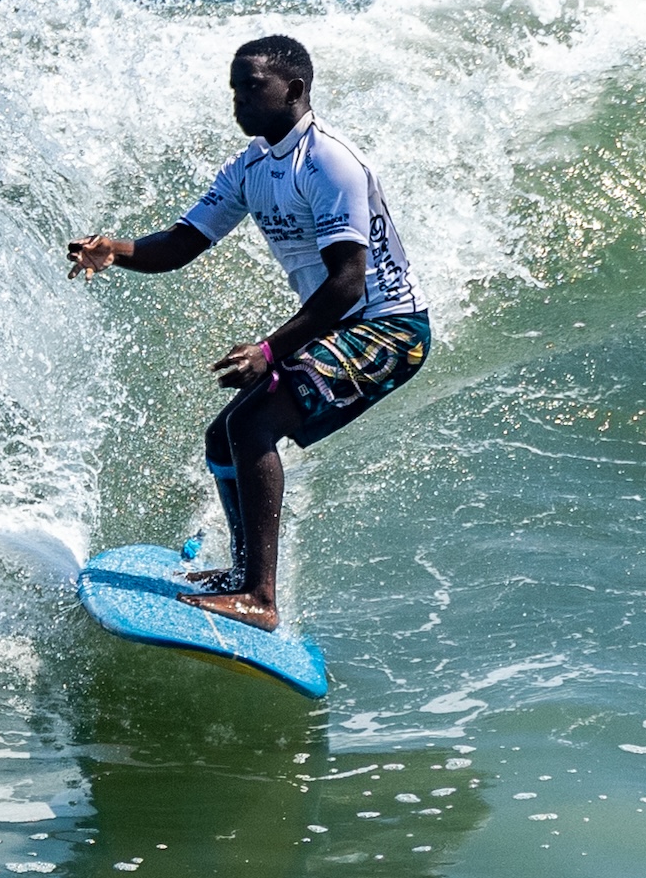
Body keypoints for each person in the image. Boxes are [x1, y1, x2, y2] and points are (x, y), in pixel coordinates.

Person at [64, 33, 431, 631]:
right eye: (233, 88)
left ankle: (260, 597)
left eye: (251, 86)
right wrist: (117, 249)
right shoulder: (250, 167)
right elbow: (183, 244)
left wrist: (268, 350)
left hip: (390, 328)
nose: (238, 100)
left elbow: (345, 284)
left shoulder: (329, 161)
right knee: (225, 436)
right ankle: (242, 577)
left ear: (295, 90)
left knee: (255, 422)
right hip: (347, 324)